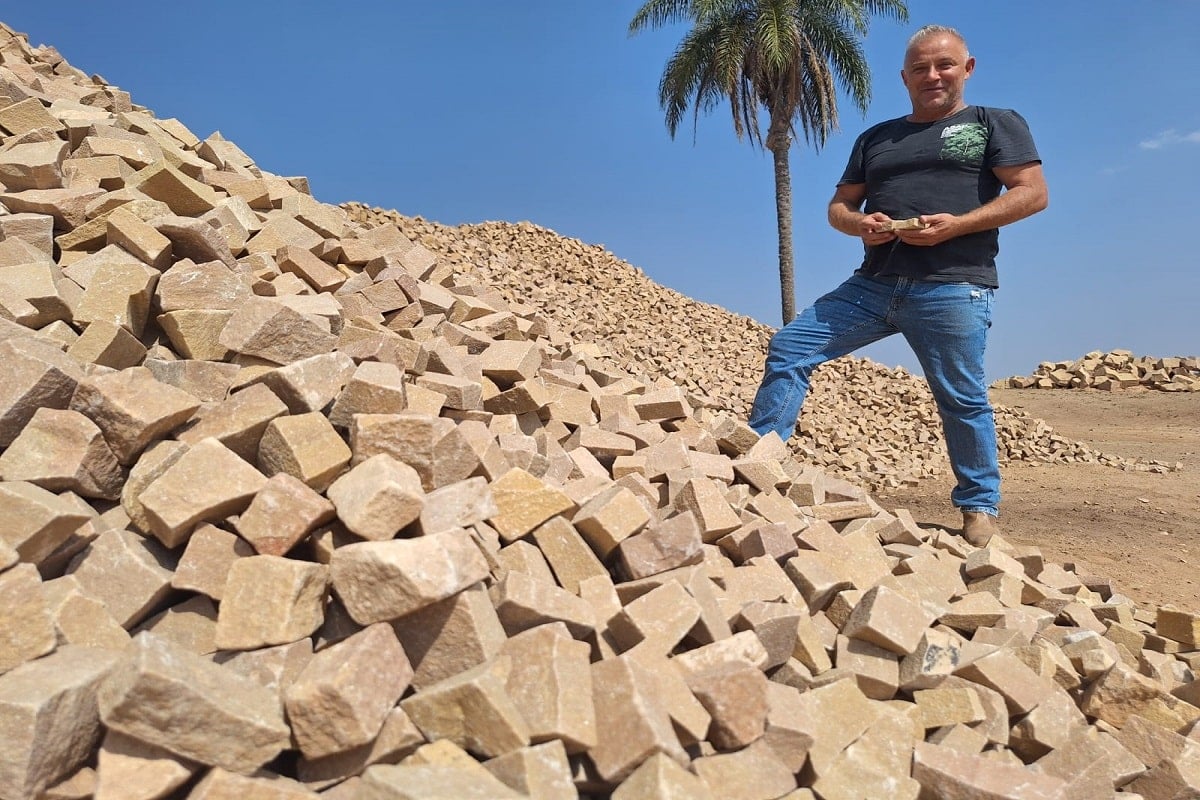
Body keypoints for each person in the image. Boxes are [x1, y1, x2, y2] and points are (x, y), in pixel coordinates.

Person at [748, 24, 1048, 547]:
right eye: (921, 69)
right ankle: (758, 468)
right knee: (790, 347)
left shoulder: (993, 122)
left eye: (944, 65)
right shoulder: (876, 138)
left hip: (953, 286)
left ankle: (978, 509)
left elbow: (1032, 193)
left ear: (967, 68)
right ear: (904, 77)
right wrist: (859, 224)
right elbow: (839, 207)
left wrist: (957, 225)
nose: (933, 76)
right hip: (873, 284)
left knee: (962, 398)